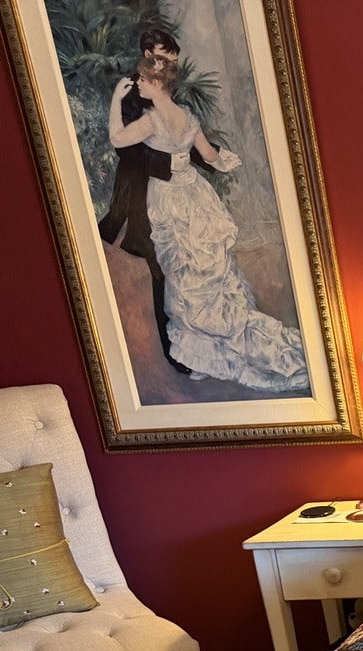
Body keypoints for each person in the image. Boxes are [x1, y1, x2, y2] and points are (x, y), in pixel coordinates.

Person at [108, 59, 310, 394]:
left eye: (143, 80)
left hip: (172, 201)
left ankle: (204, 354)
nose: (138, 84)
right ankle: (209, 351)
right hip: (196, 196)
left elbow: (117, 139)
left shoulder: (150, 121)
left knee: (185, 277)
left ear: (158, 84)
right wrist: (225, 159)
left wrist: (116, 98)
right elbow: (210, 156)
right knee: (205, 273)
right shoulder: (188, 116)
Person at [98, 29, 188, 372]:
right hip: (142, 191)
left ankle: (180, 349)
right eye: (165, 57)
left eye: (173, 61)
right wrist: (169, 164)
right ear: (149, 52)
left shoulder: (162, 87)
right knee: (159, 267)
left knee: (170, 267)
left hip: (167, 193)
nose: (169, 66)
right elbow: (129, 151)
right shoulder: (131, 90)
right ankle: (172, 352)